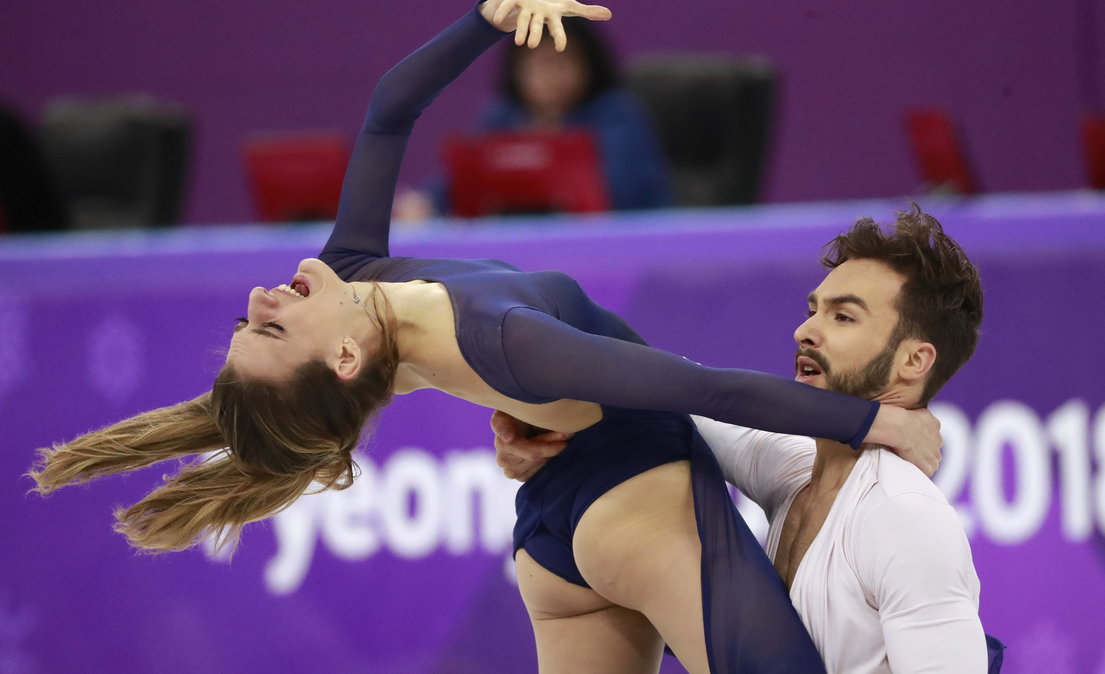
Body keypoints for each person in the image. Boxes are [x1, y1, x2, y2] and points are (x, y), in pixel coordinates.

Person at [27, 2, 942, 672]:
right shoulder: (503, 341)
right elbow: (701, 388)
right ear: (341, 358)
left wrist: (487, 16)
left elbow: (388, 112)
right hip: (635, 505)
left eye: (248, 317)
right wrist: (872, 425)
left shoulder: (360, 285)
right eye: (273, 324)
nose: (267, 291)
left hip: (551, 542)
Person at [495, 209, 1005, 672]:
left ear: (914, 361)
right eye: (815, 309)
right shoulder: (795, 469)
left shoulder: (903, 515)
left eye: (843, 317)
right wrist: (542, 425)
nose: (806, 330)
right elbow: (675, 390)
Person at [393, 12, 673, 219]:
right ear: (517, 71)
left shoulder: (617, 114)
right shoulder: (503, 116)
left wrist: (549, 149)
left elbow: (621, 195)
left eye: (562, 63)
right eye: (539, 65)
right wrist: (425, 202)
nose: (551, 76)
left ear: (589, 66)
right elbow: (463, 180)